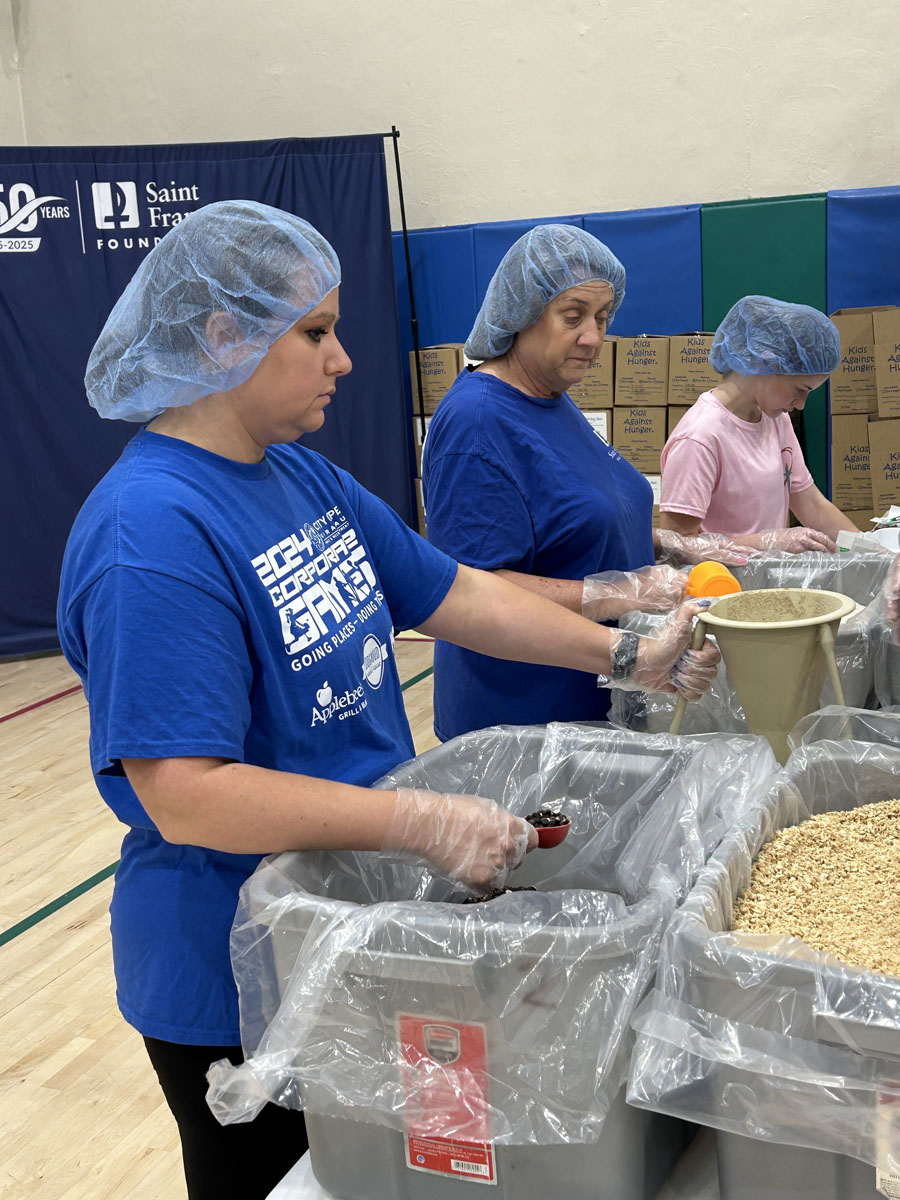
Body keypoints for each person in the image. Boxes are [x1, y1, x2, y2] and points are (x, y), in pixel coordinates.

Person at [56, 201, 720, 1200]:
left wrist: (627, 655)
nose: (345, 360)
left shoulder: (301, 476)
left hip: (352, 926)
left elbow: (454, 593)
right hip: (232, 966)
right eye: (315, 333)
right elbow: (186, 793)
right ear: (225, 337)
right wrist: (415, 818)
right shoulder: (150, 532)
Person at [421, 223, 745, 742]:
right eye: (573, 316)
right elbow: (474, 591)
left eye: (603, 317)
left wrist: (664, 544)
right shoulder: (477, 422)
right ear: (522, 313)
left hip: (601, 695)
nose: (593, 336)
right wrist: (622, 591)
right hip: (520, 724)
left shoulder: (551, 398)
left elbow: (567, 524)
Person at [660, 295, 861, 552]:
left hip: (765, 582)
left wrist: (873, 552)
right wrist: (764, 543)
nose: (801, 404)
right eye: (799, 390)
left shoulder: (776, 420)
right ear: (763, 362)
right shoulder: (700, 438)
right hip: (723, 587)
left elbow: (811, 504)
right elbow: (676, 545)